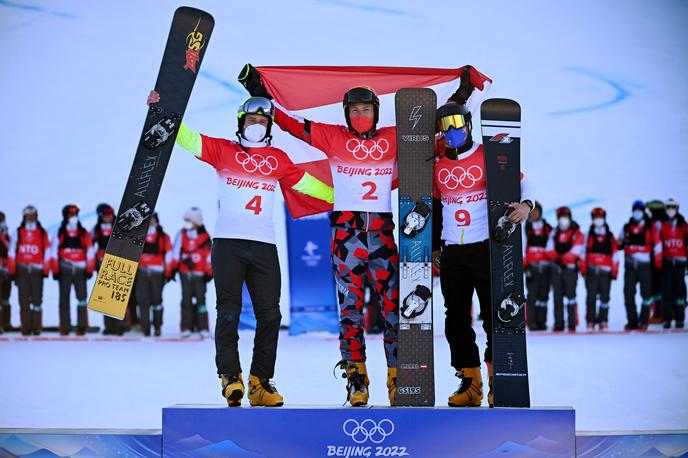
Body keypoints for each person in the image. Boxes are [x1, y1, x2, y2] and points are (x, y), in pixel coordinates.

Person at [148, 90, 332, 407]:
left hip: (264, 246)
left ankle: (260, 383)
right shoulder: (223, 151)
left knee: (270, 315)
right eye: (251, 120)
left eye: (262, 120)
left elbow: (310, 186)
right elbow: (189, 139)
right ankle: (230, 377)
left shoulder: (278, 159)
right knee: (229, 312)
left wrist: (344, 195)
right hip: (228, 244)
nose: (257, 125)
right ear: (241, 123)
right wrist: (160, 109)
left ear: (270, 125)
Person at [238, 64, 406, 406]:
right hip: (347, 238)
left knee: (394, 311)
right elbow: (288, 124)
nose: (361, 115)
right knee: (350, 312)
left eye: (366, 109)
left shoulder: (393, 136)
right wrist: (258, 91)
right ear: (346, 115)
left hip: (383, 236)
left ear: (376, 112)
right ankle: (357, 380)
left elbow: (432, 128)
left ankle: (397, 377)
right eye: (354, 110)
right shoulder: (332, 136)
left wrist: (461, 97)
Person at [432, 102, 534, 407]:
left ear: (468, 124)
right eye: (445, 125)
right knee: (456, 320)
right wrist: (436, 245)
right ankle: (470, 382)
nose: (452, 130)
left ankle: (496, 380)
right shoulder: (437, 165)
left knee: (494, 317)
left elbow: (522, 179)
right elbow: (437, 206)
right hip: (454, 252)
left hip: (487, 247)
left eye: (457, 123)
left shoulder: (485, 153)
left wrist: (527, 205)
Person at [50, 204, 95, 336]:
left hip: (81, 270)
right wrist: (56, 270)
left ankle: (81, 326)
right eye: (70, 215)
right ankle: (65, 326)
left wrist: (89, 269)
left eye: (75, 215)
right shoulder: (59, 232)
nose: (73, 217)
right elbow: (53, 252)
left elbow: (90, 251)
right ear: (65, 216)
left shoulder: (83, 233)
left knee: (82, 299)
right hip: (64, 270)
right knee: (64, 299)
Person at [7, 206, 51, 335]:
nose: (31, 218)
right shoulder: (18, 232)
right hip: (22, 270)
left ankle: (37, 327)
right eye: (28, 216)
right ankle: (25, 327)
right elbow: (11, 252)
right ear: (24, 217)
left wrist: (46, 269)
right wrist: (12, 270)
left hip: (37, 270)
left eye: (33, 215)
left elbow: (47, 251)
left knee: (37, 300)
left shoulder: (42, 232)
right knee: (24, 301)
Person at [618, 200, 661, 330]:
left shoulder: (650, 227)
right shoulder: (626, 227)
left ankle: (644, 320)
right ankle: (632, 321)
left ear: (643, 212)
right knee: (628, 294)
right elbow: (618, 243)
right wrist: (621, 243)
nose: (637, 213)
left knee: (646, 295)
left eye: (640, 210)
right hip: (630, 266)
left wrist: (658, 263)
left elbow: (658, 245)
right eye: (635, 210)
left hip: (645, 266)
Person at [170, 207, 212, 339]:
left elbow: (210, 256)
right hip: (185, 274)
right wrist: (172, 269)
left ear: (196, 222)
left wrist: (209, 272)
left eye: (189, 220)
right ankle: (186, 327)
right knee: (186, 300)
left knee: (201, 300)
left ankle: (203, 327)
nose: (187, 223)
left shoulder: (205, 238)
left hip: (200, 275)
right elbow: (176, 252)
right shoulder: (181, 234)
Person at [580, 207, 619, 331]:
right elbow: (582, 253)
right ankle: (590, 321)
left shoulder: (610, 235)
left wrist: (614, 272)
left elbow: (615, 255)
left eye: (600, 217)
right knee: (591, 297)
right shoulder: (588, 235)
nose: (598, 220)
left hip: (606, 273)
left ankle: (603, 320)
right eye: (596, 217)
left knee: (605, 298)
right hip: (591, 271)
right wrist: (583, 269)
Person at [547, 206, 584, 332]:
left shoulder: (577, 233)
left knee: (571, 297)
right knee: (557, 298)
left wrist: (562, 260)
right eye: (561, 216)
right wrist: (557, 259)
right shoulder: (554, 232)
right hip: (557, 270)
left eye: (565, 216)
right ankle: (559, 324)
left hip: (569, 270)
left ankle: (572, 324)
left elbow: (577, 250)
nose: (563, 219)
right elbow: (549, 248)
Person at [136, 212, 172, 337]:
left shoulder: (163, 236)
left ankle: (157, 326)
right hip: (142, 271)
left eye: (153, 219)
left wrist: (168, 272)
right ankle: (145, 327)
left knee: (157, 300)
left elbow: (168, 254)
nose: (151, 222)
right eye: (148, 220)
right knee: (143, 300)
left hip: (157, 272)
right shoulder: (140, 234)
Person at [92, 203, 125, 335]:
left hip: (117, 264)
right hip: (103, 263)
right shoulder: (96, 229)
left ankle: (120, 325)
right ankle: (108, 326)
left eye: (111, 214)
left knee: (117, 295)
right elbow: (89, 245)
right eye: (106, 215)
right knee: (105, 296)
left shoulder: (119, 226)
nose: (109, 217)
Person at [523, 201, 552, 331]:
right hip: (532, 267)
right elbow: (523, 247)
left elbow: (552, 247)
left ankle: (542, 322)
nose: (534, 213)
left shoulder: (548, 228)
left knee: (543, 296)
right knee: (532, 295)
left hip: (545, 267)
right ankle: (531, 322)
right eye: (532, 211)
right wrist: (525, 266)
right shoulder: (525, 227)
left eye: (537, 211)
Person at [658, 198, 687, 328]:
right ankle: (667, 319)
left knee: (680, 292)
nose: (671, 209)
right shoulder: (661, 224)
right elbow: (656, 242)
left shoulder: (683, 224)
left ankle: (680, 318)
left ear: (677, 208)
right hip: (667, 263)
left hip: (680, 263)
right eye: (669, 207)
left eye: (673, 207)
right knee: (667, 291)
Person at [646, 199, 667, 323]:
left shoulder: (654, 224)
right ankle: (666, 311)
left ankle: (659, 313)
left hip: (658, 259)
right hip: (660, 259)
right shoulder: (664, 222)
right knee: (660, 286)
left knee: (657, 287)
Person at [0, 212, 10, 333]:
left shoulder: (6, 234)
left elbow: (10, 248)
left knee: (6, 298)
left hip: (6, 269)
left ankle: (6, 323)